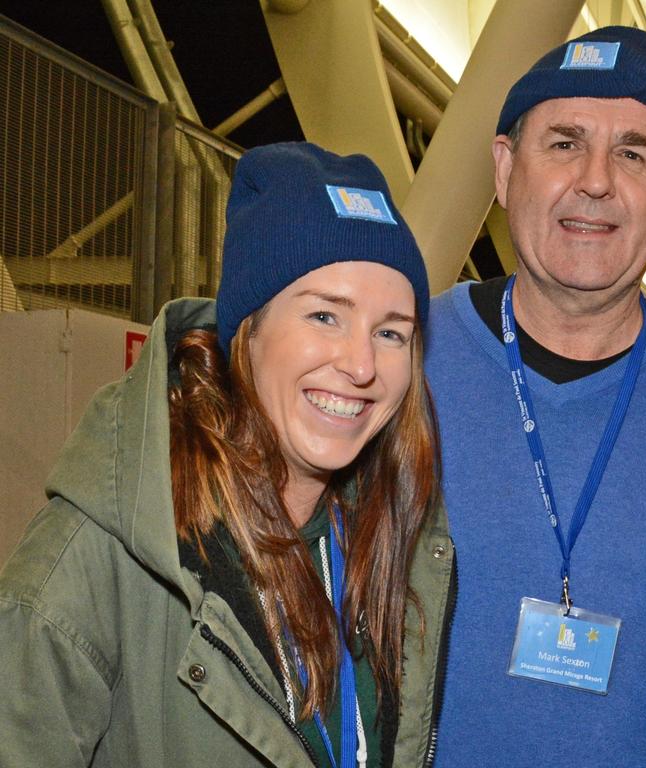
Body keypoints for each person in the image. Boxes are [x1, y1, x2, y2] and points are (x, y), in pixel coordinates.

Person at [0, 143, 453, 768]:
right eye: (325, 315)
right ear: (249, 329)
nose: (361, 364)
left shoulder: (386, 536)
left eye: (391, 332)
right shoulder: (98, 557)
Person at [424, 26, 646, 768]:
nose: (596, 180)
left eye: (632, 153)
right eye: (564, 143)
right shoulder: (400, 360)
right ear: (504, 168)